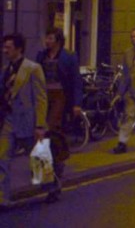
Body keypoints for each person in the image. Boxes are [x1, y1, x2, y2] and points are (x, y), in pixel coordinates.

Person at [0, 33, 47, 209]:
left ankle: (52, 187)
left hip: (28, 120)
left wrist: (40, 125)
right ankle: (2, 197)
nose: (5, 50)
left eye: (8, 47)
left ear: (19, 48)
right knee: (2, 158)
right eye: (4, 47)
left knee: (37, 158)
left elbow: (41, 98)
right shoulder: (6, 70)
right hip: (9, 120)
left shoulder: (33, 68)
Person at [35, 27, 82, 203]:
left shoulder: (69, 57)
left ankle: (53, 175)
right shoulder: (41, 56)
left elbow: (76, 81)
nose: (47, 41)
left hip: (60, 97)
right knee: (43, 137)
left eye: (50, 38)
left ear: (58, 40)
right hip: (43, 98)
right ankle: (50, 175)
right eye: (46, 37)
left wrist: (77, 104)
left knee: (48, 132)